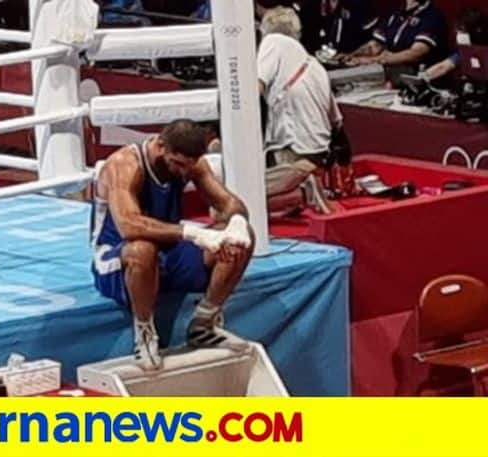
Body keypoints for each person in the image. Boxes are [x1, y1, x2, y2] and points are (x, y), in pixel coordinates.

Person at [91, 119, 254, 371]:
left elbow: (229, 203)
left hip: (167, 250)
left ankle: (204, 323)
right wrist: (193, 233)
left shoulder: (191, 165)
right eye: (177, 164)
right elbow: (128, 226)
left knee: (240, 240)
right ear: (160, 145)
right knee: (142, 248)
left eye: (187, 166)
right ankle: (144, 333)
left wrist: (237, 222)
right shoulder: (124, 165)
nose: (182, 172)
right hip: (118, 256)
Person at [258, 7, 342, 214]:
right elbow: (337, 121)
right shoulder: (315, 64)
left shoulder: (273, 41)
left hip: (292, 150)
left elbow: (255, 87)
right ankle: (303, 192)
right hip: (318, 154)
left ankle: (303, 191)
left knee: (233, 202)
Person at [345, 0, 447, 72]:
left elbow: (416, 54)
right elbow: (374, 46)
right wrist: (352, 55)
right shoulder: (395, 15)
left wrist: (376, 60)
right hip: (388, 76)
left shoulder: (432, 17)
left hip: (416, 78)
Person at [423, 9, 488, 82]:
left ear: (477, 31)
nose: (458, 34)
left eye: (462, 30)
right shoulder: (463, 52)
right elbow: (443, 66)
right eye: (457, 30)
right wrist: (423, 76)